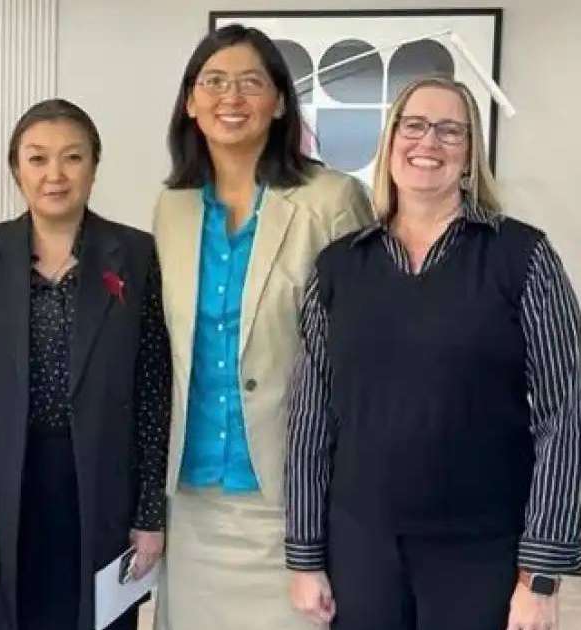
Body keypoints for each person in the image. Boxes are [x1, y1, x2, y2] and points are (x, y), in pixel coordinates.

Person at [285, 76, 581, 630]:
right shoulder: (338, 268)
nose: (429, 142)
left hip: (481, 551)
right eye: (415, 125)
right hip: (362, 550)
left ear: (471, 153)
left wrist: (540, 574)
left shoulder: (522, 258)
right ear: (391, 141)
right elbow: (310, 420)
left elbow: (564, 418)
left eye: (451, 130)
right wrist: (305, 557)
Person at [150, 25, 371, 630]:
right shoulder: (171, 209)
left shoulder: (332, 200)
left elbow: (361, 356)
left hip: (291, 496)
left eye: (252, 82)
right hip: (192, 497)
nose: (232, 96)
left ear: (279, 103)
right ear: (190, 103)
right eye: (213, 82)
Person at [0, 98, 171, 630]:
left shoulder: (135, 255)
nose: (55, 175)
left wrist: (149, 513)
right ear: (15, 168)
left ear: (94, 167)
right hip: (7, 484)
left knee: (97, 620)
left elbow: (153, 390)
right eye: (38, 158)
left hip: (102, 484)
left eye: (72, 158)